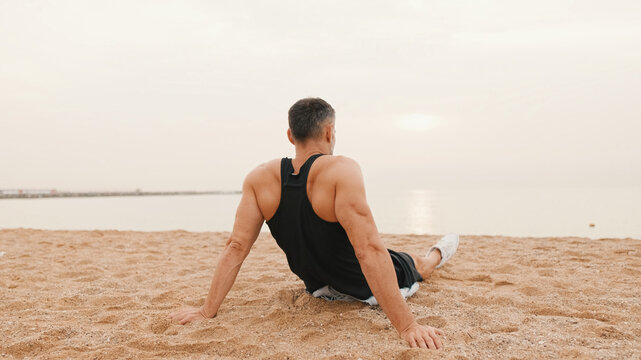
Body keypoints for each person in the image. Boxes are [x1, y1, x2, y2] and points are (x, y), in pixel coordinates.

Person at [170, 98, 459, 350]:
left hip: (319, 288)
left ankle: (435, 251)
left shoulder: (258, 178)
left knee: (387, 253)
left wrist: (207, 311)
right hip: (362, 287)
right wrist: (408, 327)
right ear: (329, 131)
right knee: (418, 266)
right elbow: (369, 250)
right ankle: (438, 252)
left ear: (290, 135)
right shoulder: (342, 170)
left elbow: (236, 246)